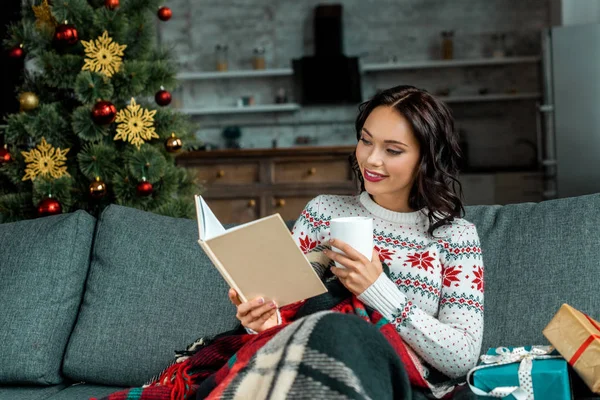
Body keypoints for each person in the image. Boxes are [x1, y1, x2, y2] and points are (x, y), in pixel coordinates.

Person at [227, 85, 485, 398]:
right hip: (304, 368)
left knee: (345, 331)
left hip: (394, 387)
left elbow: (461, 358)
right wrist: (262, 323)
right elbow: (285, 320)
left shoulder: (455, 236)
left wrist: (377, 290)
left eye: (393, 150)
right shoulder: (323, 212)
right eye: (365, 140)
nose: (371, 159)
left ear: (425, 159)